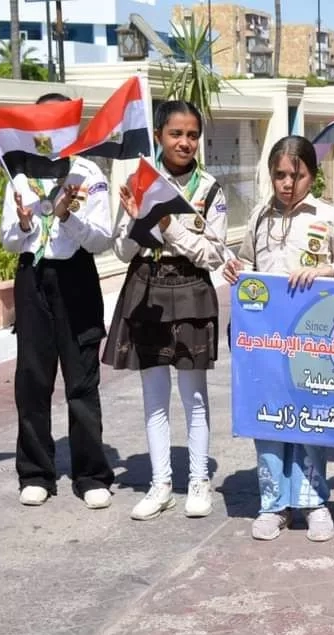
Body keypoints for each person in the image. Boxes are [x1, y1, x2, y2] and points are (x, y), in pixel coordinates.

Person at [222, 136, 334, 542]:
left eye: (296, 175)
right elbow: (248, 264)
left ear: (312, 175)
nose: (287, 183)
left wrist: (325, 272)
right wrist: (237, 271)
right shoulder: (258, 217)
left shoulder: (331, 218)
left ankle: (313, 501)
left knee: (309, 417)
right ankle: (273, 504)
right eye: (279, 175)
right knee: (267, 418)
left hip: (312, 341)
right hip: (263, 342)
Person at [103, 100, 228, 521]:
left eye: (192, 135)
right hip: (147, 290)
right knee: (154, 397)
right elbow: (121, 250)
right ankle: (161, 484)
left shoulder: (209, 189)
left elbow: (213, 255)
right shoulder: (140, 181)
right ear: (159, 135)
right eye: (176, 134)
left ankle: (198, 480)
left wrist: (167, 225)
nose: (185, 142)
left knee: (193, 395)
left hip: (191, 290)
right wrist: (136, 218)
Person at [0, 92, 115, 509]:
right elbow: (9, 239)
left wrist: (68, 215)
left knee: (82, 381)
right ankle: (36, 472)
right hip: (33, 279)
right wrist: (26, 221)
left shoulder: (89, 173)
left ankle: (90, 474)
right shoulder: (20, 175)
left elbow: (101, 238)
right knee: (32, 380)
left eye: (59, 124)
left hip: (76, 279)